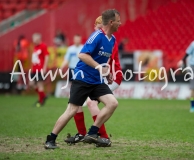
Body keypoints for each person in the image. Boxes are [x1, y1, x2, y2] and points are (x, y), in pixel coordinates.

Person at [44, 9, 121, 149]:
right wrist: (99, 68)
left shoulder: (113, 40)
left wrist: (107, 73)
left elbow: (102, 61)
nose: (120, 24)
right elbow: (82, 55)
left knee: (112, 103)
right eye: (118, 21)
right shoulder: (97, 36)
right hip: (83, 78)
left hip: (97, 81)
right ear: (111, 22)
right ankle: (51, 139)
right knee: (72, 110)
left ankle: (92, 133)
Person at [64, 16, 123, 147]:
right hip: (99, 76)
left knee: (91, 103)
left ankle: (102, 137)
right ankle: (82, 134)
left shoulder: (108, 40)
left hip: (111, 76)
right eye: (96, 27)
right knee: (76, 100)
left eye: (98, 27)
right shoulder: (99, 37)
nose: (96, 30)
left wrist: (105, 72)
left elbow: (106, 63)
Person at [29, 33, 49, 107]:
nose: (33, 40)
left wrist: (44, 68)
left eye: (34, 38)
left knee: (40, 85)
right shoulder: (35, 47)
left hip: (40, 69)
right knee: (31, 84)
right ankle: (43, 96)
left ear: (38, 38)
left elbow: (47, 56)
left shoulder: (43, 46)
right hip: (34, 69)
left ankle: (40, 102)